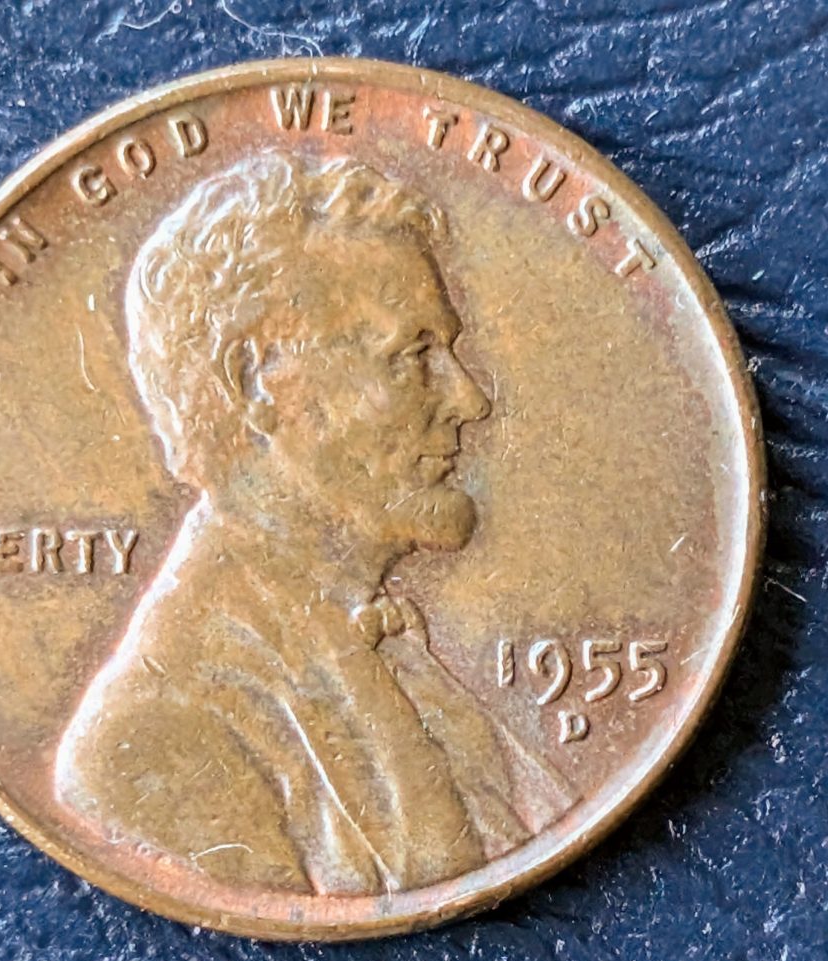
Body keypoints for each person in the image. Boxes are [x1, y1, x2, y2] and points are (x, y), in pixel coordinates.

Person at [55, 152, 576, 895]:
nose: (469, 401)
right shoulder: (147, 742)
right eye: (412, 355)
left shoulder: (384, 645)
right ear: (257, 383)